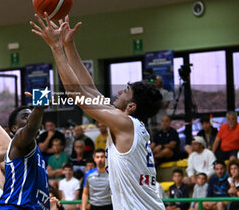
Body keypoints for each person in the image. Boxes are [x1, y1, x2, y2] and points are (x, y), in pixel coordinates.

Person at [30, 14, 165, 209]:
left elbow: (78, 94)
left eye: (126, 91)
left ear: (132, 106)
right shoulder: (129, 123)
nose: (119, 91)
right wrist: (69, 45)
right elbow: (89, 89)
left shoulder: (125, 123)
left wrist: (56, 47)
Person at [0, 101, 50, 209]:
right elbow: (30, 129)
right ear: (14, 128)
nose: (30, 119)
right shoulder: (18, 142)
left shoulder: (37, 153)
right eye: (26, 117)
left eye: (31, 116)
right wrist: (39, 109)